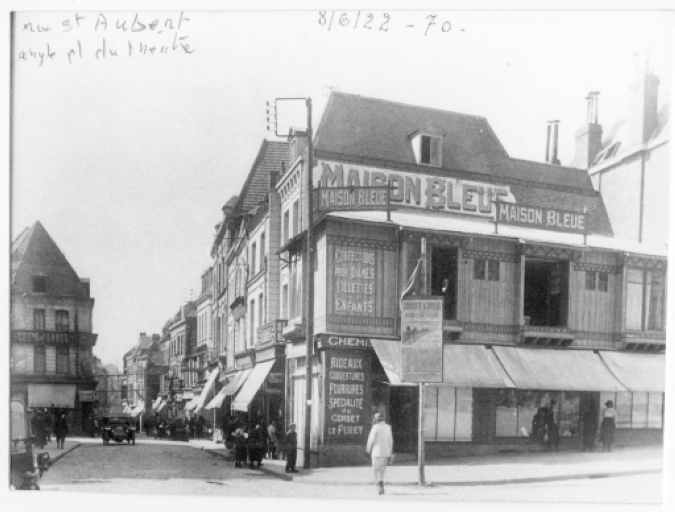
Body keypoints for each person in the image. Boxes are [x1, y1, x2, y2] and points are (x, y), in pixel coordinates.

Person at [366, 412, 394, 495]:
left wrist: (368, 450)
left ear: (376, 420)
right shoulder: (388, 427)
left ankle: (379, 487)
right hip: (385, 452)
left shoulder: (375, 427)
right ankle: (381, 484)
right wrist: (390, 452)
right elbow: (390, 440)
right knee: (382, 470)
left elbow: (371, 439)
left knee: (375, 470)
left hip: (376, 452)